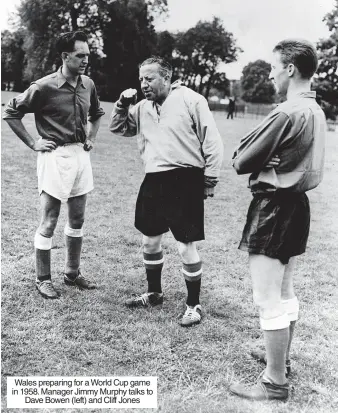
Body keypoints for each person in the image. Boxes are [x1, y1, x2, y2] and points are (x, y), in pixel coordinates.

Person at [229, 39, 326, 401]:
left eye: (274, 67)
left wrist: (252, 154)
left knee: (267, 297)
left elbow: (241, 160)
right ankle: (280, 361)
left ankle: (274, 383)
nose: (270, 74)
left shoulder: (287, 111)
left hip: (272, 207)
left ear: (290, 69)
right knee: (284, 292)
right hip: (297, 206)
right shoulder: (314, 109)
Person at [109, 56, 223, 327]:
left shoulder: (191, 100)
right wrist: (123, 104)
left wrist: (210, 180)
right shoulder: (141, 107)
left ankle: (193, 304)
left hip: (185, 179)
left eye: (149, 78)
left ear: (167, 78)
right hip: (153, 179)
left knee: (185, 245)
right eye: (141, 79)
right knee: (150, 241)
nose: (143, 84)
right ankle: (154, 292)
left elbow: (212, 141)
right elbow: (118, 127)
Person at [3, 31, 105, 299]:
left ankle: (72, 273)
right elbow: (11, 112)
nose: (85, 60)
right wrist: (32, 142)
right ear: (65, 56)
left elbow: (96, 114)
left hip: (80, 155)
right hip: (55, 156)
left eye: (87, 55)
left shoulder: (88, 84)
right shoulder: (44, 86)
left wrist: (91, 137)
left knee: (78, 218)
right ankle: (43, 278)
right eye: (80, 55)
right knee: (49, 220)